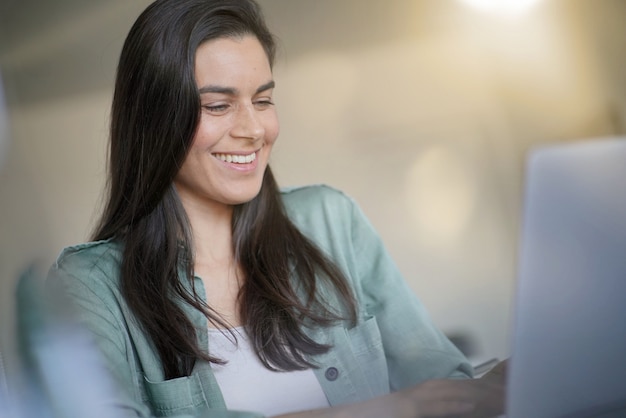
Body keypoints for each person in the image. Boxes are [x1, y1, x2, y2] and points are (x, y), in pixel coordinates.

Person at [46, 0, 506, 417]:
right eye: (219, 105)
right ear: (156, 121)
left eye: (263, 100)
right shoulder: (91, 283)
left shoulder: (331, 219)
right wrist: (390, 410)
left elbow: (439, 379)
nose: (253, 129)